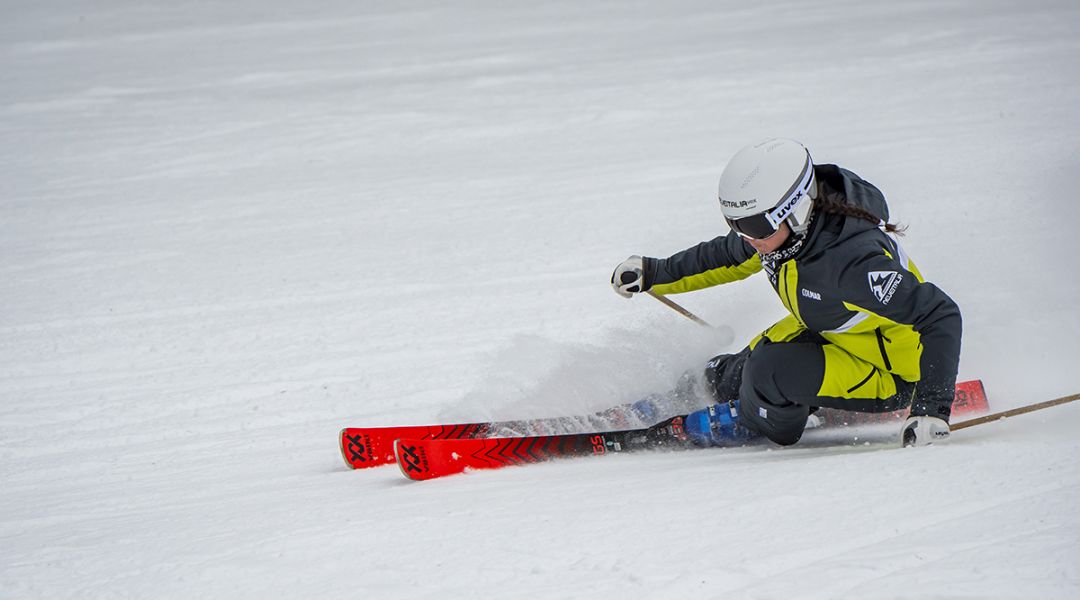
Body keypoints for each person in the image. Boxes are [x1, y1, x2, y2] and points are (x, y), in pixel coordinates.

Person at [611, 138, 962, 448]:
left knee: (766, 373)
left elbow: (939, 314)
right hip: (835, 332)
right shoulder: (782, 236)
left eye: (752, 226)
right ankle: (688, 396)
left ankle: (753, 419)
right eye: (735, 223)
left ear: (795, 210)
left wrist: (931, 408)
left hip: (889, 373)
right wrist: (655, 273)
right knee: (727, 372)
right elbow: (725, 256)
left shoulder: (852, 264)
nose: (746, 237)